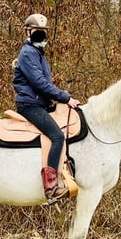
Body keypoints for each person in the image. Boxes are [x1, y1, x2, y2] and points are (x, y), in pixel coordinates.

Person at [12, 13, 80, 200]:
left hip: (39, 103)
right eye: (37, 30)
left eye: (43, 31)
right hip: (30, 105)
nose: (40, 33)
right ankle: (51, 186)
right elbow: (40, 83)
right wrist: (65, 97)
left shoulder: (37, 53)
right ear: (28, 31)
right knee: (57, 136)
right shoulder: (28, 53)